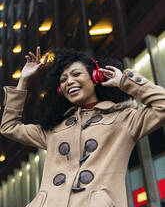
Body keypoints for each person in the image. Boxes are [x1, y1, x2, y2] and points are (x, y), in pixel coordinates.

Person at [1, 46, 165, 207]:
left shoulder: (124, 119)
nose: (69, 81)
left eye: (76, 74)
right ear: (60, 90)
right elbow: (9, 127)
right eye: (63, 80)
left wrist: (124, 81)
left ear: (95, 77)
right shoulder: (53, 130)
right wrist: (23, 81)